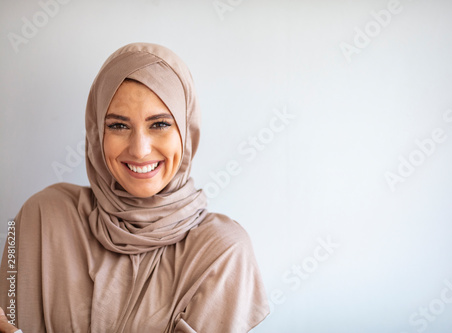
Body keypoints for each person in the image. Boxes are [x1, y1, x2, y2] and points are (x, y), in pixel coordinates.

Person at [0, 42, 269, 332]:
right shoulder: (41, 219)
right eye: (118, 126)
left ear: (186, 131)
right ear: (96, 133)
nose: (139, 150)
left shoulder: (222, 253)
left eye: (160, 124)